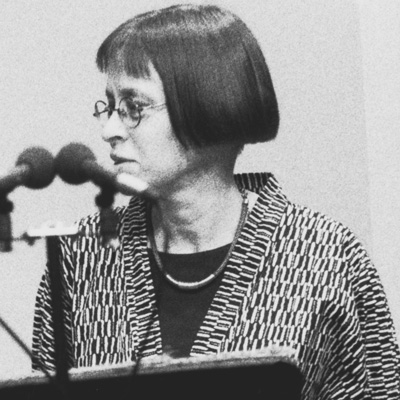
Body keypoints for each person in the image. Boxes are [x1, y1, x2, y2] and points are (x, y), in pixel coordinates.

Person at [31, 4, 400, 399]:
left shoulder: (329, 255)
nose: (109, 130)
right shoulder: (78, 253)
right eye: (109, 106)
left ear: (210, 104)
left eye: (134, 108)